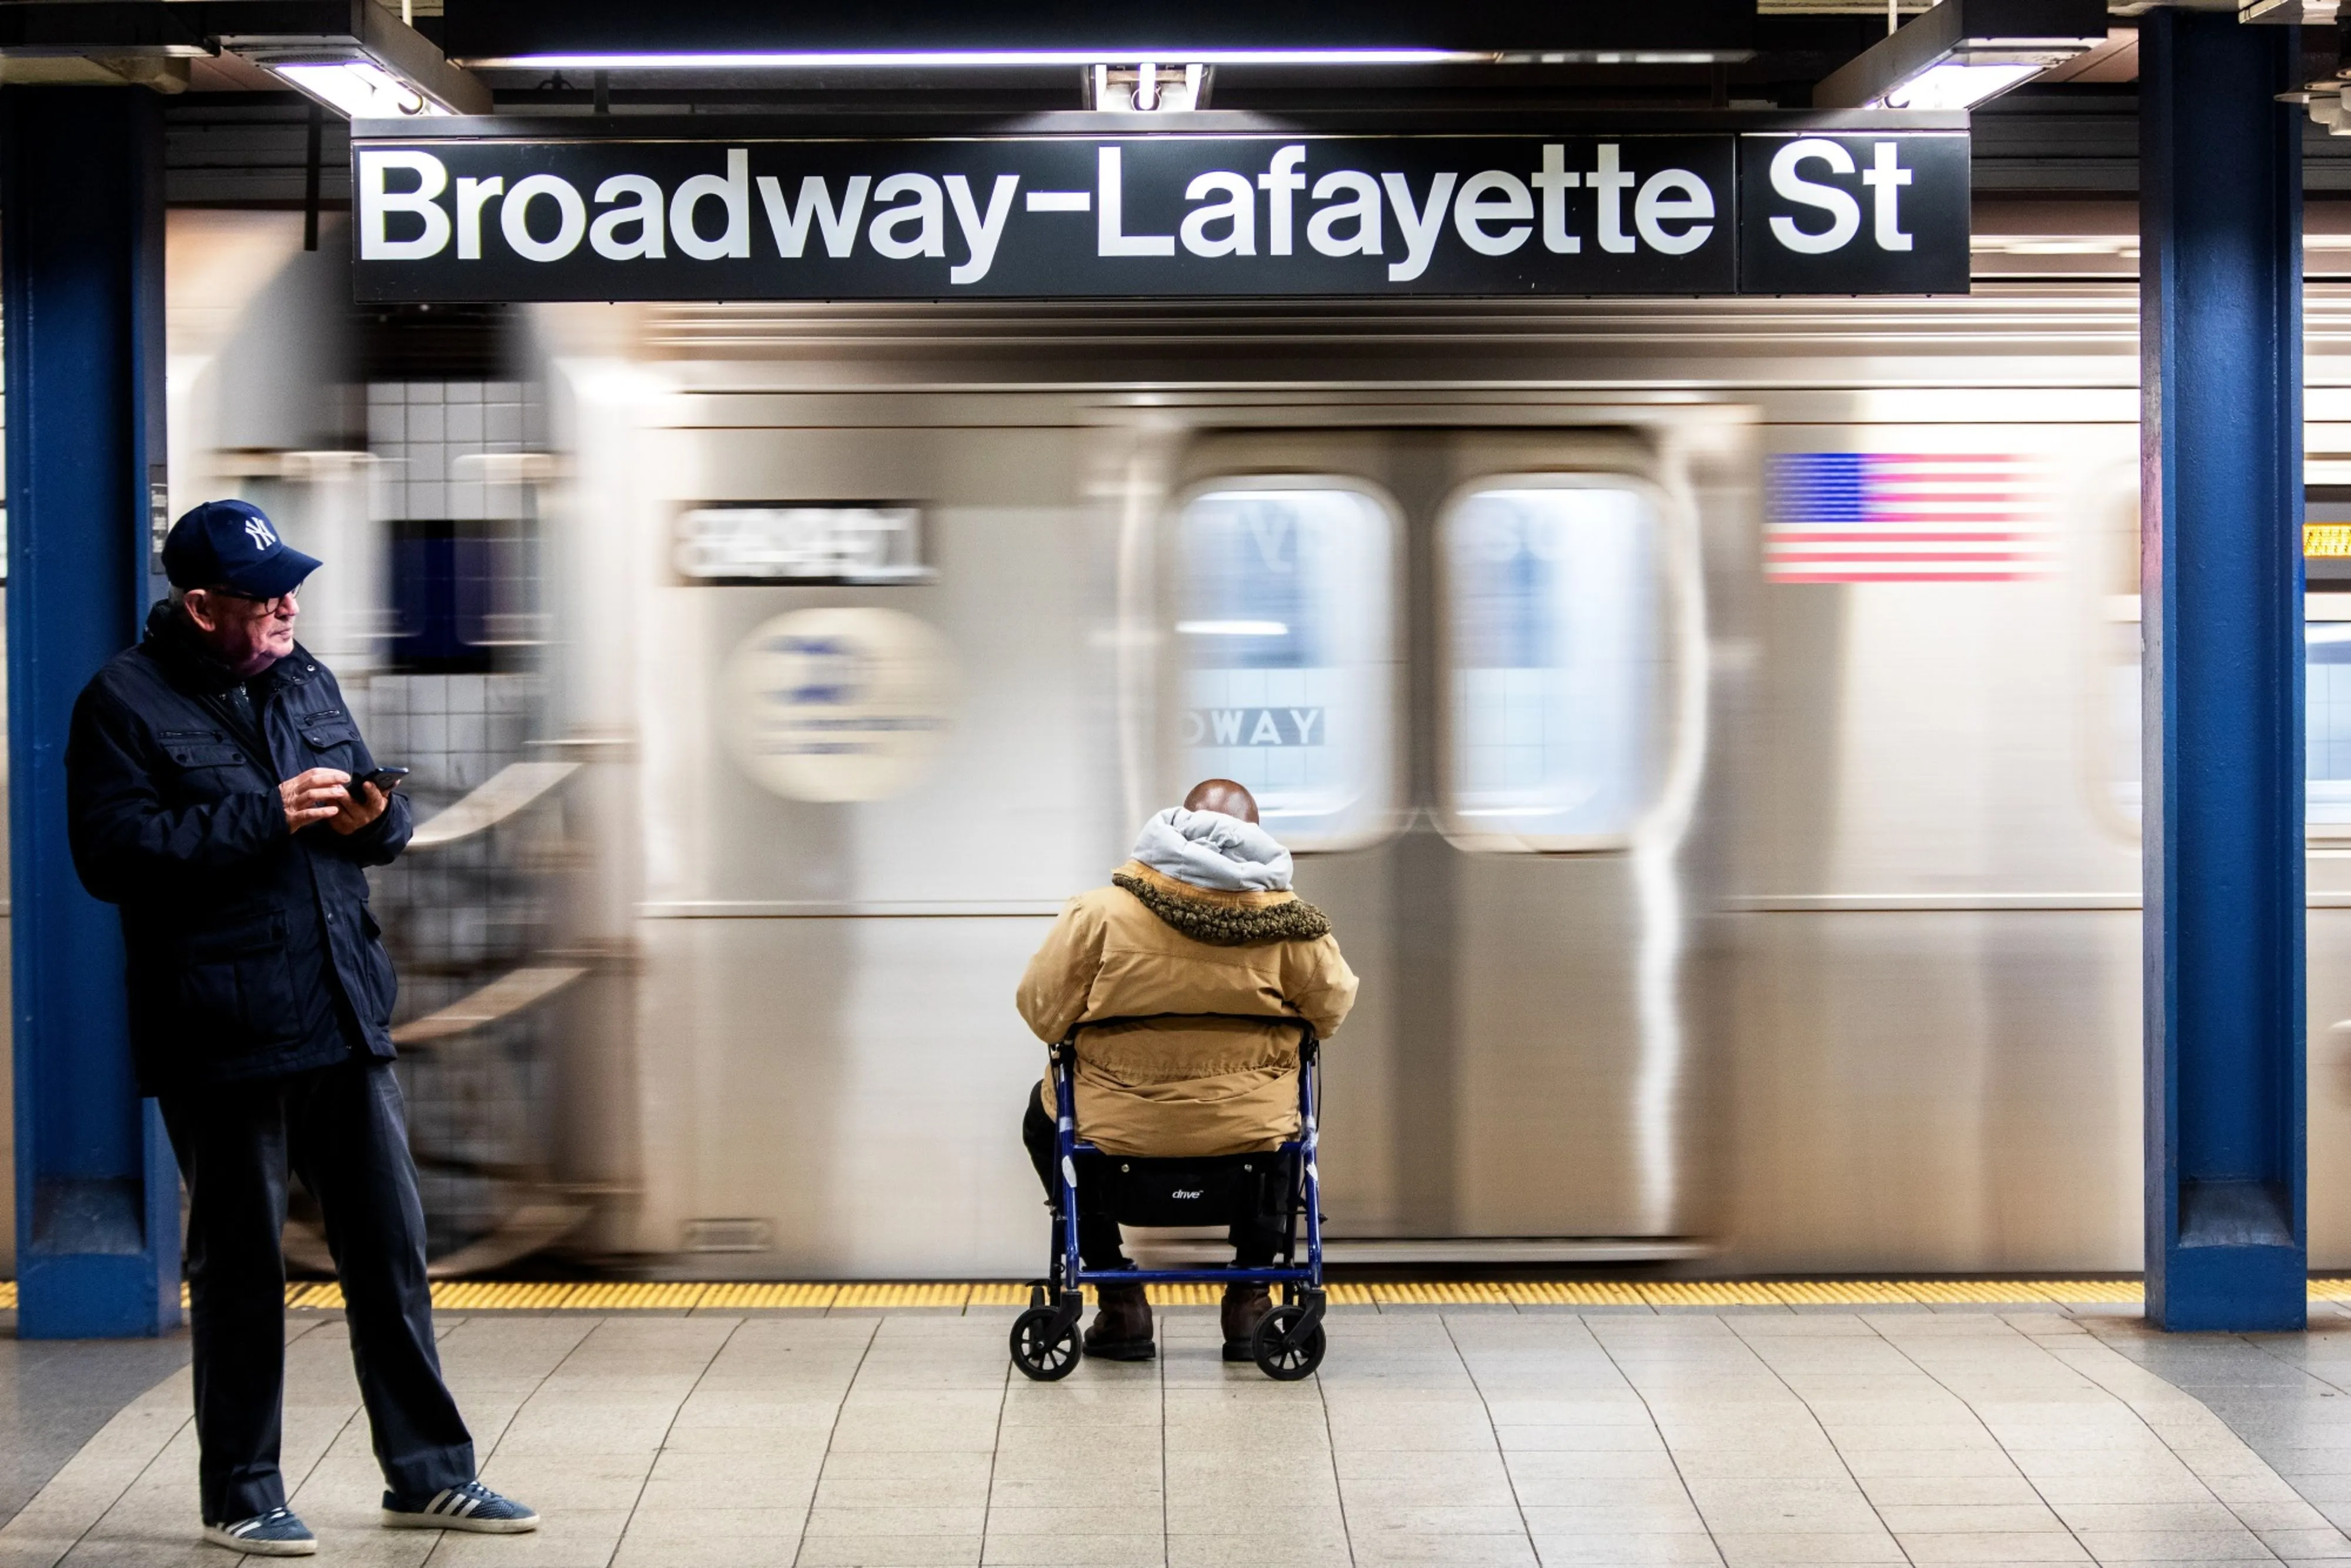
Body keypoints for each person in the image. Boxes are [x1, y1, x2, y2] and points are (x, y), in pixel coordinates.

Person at [64, 501, 537, 1557]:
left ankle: (430, 1475)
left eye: (289, 586)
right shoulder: (123, 703)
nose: (287, 604)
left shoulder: (304, 677)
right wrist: (262, 815)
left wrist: (382, 823)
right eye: (263, 592)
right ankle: (242, 1492)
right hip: (221, 1029)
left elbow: (374, 823)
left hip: (339, 1007)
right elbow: (112, 856)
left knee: (390, 1253)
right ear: (198, 606)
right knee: (237, 1267)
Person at [1016, 778, 1359, 1362]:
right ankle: (1250, 1298)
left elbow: (1042, 1012)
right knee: (1288, 1130)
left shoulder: (1098, 913)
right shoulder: (1292, 924)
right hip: (1246, 1133)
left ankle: (1117, 1302)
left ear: (1175, 828)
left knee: (1042, 1121)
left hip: (1115, 1130)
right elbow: (1329, 1010)